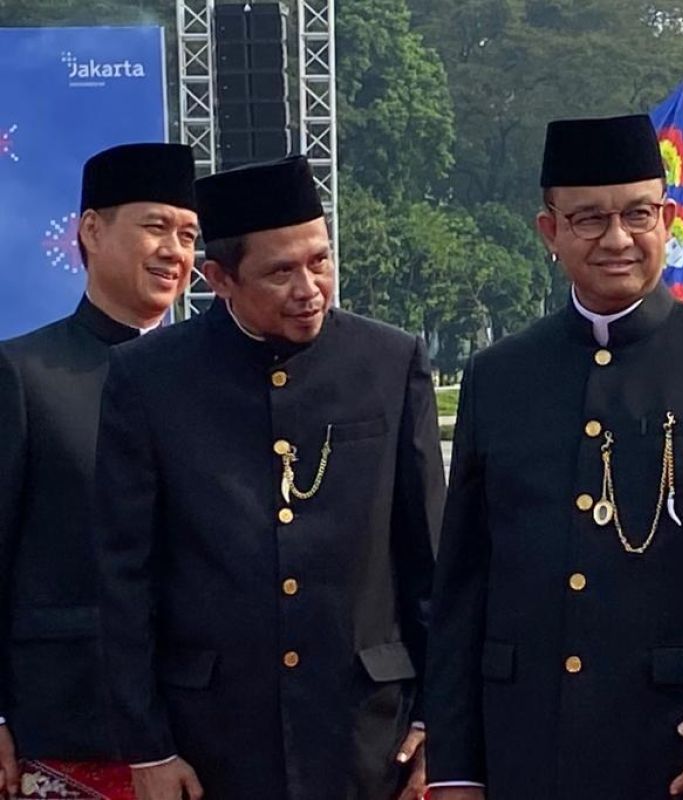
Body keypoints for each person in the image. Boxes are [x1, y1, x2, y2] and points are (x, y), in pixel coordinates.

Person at [424, 114, 683, 800]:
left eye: (638, 214)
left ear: (668, 218)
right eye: (588, 220)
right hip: (527, 755)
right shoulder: (500, 376)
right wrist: (457, 768)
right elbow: (464, 589)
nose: (617, 239)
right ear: (549, 231)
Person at [93, 156, 444, 800]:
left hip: (368, 734)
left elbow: (430, 569)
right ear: (219, 278)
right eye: (281, 272)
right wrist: (149, 749)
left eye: (320, 261)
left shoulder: (389, 364)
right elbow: (124, 577)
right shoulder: (149, 381)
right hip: (213, 737)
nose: (310, 288)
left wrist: (438, 723)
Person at [0, 143, 197, 800]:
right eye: (156, 226)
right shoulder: (24, 375)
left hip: (205, 730)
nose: (175, 249)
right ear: (91, 229)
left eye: (190, 234)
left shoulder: (213, 382)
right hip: (67, 727)